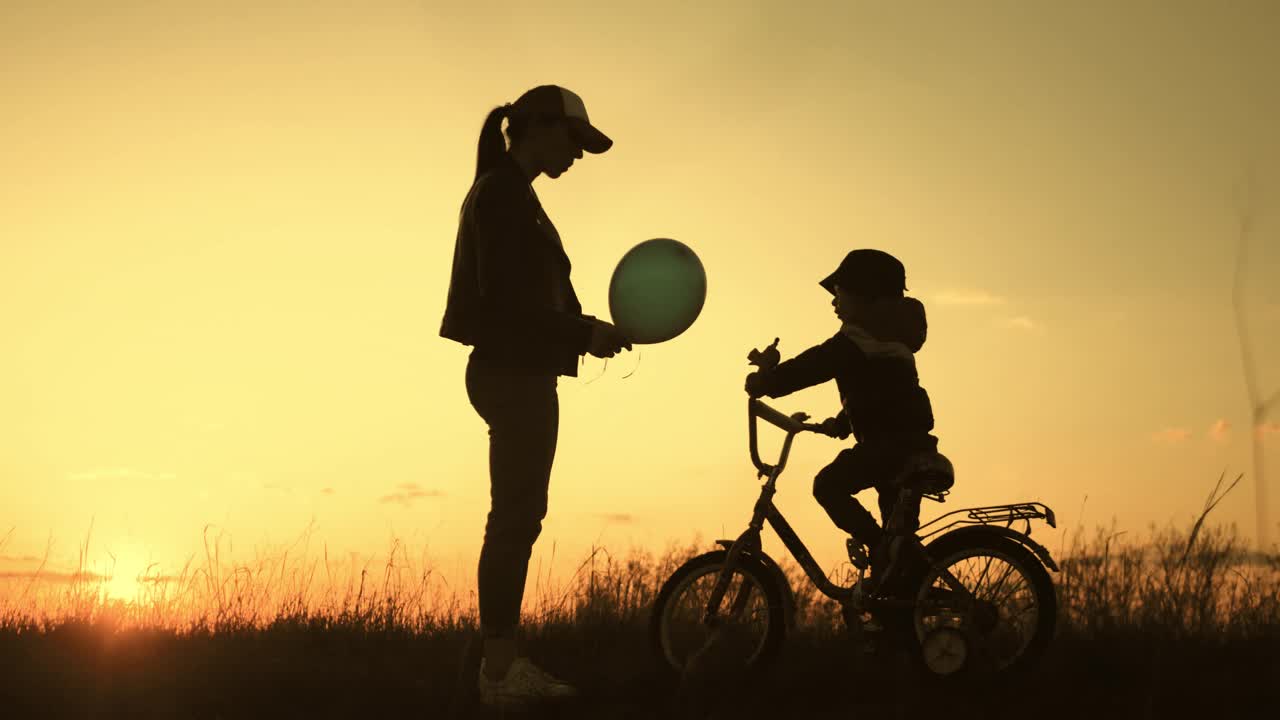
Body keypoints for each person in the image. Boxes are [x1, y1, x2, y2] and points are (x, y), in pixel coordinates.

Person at [440, 84, 632, 708]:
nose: (578, 154)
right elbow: (511, 304)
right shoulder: (502, 195)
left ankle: (496, 658)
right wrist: (583, 332)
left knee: (519, 518)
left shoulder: (510, 193)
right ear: (540, 129)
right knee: (516, 519)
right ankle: (498, 675)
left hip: (518, 371)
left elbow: (525, 300)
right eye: (574, 141)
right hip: (511, 373)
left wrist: (586, 333)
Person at [744, 249, 939, 591]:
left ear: (866, 296)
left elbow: (812, 366)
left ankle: (878, 547)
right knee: (896, 557)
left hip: (887, 449)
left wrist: (767, 382)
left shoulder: (856, 342)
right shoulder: (890, 345)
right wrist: (842, 423)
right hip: (906, 447)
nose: (834, 301)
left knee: (828, 486)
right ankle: (896, 614)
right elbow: (882, 396)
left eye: (839, 293)